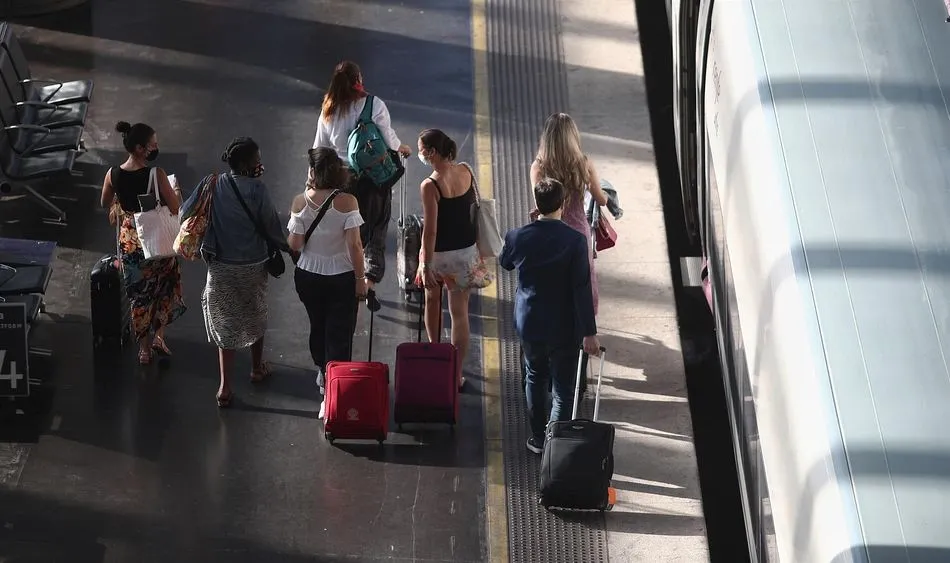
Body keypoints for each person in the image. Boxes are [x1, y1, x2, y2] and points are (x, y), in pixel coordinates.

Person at [499, 178, 601, 454]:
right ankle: (554, 442)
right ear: (563, 203)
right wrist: (589, 333)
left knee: (535, 377)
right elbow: (581, 289)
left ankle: (537, 438)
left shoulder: (518, 236)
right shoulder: (575, 241)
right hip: (565, 326)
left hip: (530, 322)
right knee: (563, 389)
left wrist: (528, 226)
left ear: (536, 203)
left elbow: (505, 262)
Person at [182, 137, 286, 408]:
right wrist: (291, 249)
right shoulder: (258, 189)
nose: (260, 164)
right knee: (256, 312)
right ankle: (256, 369)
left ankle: (224, 386)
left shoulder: (212, 183)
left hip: (221, 265)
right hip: (254, 265)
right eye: (256, 160)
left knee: (225, 320)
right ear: (245, 164)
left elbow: (185, 212)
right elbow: (272, 226)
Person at [311, 60, 412, 289]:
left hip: (342, 179)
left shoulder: (329, 109)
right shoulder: (374, 105)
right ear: (358, 80)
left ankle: (347, 279)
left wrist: (313, 182)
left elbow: (320, 148)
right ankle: (369, 280)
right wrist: (401, 147)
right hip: (372, 179)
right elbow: (389, 139)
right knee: (376, 226)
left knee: (348, 230)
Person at [531, 112, 608, 397]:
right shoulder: (583, 164)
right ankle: (579, 374)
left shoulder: (539, 168)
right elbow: (600, 199)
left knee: (554, 295)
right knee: (582, 294)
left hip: (551, 237)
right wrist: (604, 195)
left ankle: (554, 368)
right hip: (578, 238)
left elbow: (539, 203)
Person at [288, 147, 367, 418]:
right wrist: (361, 279)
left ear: (312, 171)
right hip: (341, 277)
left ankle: (323, 374)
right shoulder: (348, 202)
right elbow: (355, 246)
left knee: (318, 325)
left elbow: (295, 244)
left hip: (308, 276)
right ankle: (334, 393)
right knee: (340, 332)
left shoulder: (300, 201)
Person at [100, 121, 186, 365]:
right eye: (153, 145)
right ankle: (159, 337)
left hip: (131, 242)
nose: (156, 148)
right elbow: (175, 207)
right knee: (165, 286)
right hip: (157, 239)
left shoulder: (112, 174)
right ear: (140, 148)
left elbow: (104, 203)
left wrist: (121, 200)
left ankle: (144, 351)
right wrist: (175, 191)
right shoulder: (156, 174)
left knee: (139, 296)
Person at [415, 129, 491, 391]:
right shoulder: (466, 171)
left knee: (432, 302)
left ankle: (436, 361)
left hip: (439, 255)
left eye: (422, 150)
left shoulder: (430, 185)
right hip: (465, 253)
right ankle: (455, 375)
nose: (420, 155)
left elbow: (430, 231)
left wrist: (425, 265)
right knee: (460, 314)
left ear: (432, 152)